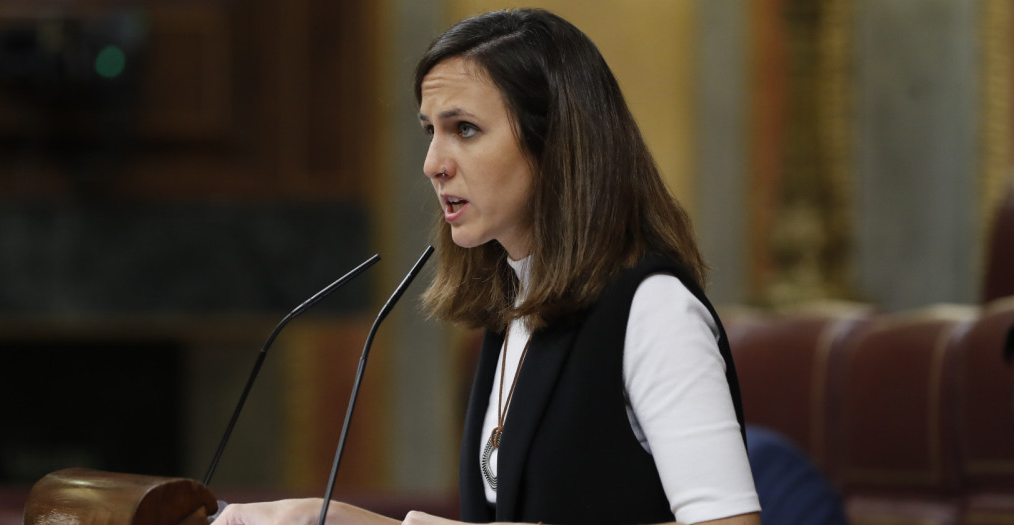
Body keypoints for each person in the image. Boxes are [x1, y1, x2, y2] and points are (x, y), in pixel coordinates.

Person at [213, 8, 761, 525]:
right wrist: (325, 517)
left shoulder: (653, 309)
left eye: (465, 130)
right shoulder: (514, 306)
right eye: (431, 130)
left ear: (557, 142)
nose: (433, 164)